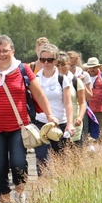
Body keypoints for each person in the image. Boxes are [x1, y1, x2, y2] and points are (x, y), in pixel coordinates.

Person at [0, 35, 57, 203]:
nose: (1, 54)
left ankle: (21, 195)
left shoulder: (23, 69)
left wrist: (49, 114)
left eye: (5, 50)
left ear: (13, 51)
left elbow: (39, 94)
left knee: (19, 163)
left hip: (19, 127)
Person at [33, 44, 74, 176]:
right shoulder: (35, 79)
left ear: (56, 61)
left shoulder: (62, 79)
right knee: (42, 159)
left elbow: (68, 103)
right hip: (41, 122)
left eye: (49, 60)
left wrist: (70, 123)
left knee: (61, 160)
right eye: (43, 59)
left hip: (59, 124)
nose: (46, 63)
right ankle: (44, 189)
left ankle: (60, 190)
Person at [57, 52, 86, 147]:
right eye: (58, 65)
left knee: (75, 154)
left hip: (74, 123)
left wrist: (80, 117)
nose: (60, 68)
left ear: (68, 64)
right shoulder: (52, 81)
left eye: (63, 65)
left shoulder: (75, 81)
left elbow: (82, 102)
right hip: (57, 123)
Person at [84, 57, 102, 146]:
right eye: (90, 67)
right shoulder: (84, 76)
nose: (92, 69)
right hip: (87, 107)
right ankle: (90, 145)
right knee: (87, 127)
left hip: (101, 107)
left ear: (98, 67)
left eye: (94, 67)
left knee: (101, 127)